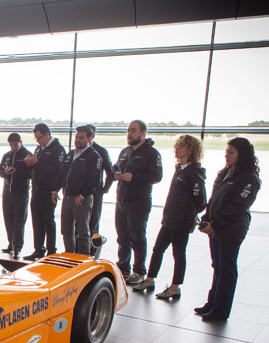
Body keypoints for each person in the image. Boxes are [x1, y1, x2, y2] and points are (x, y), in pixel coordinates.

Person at [195, 137, 261, 321]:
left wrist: (215, 225)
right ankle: (212, 303)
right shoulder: (226, 172)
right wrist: (207, 218)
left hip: (231, 229)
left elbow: (238, 207)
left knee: (227, 268)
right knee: (217, 266)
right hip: (215, 227)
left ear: (242, 154)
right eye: (226, 152)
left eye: (231, 152)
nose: (227, 155)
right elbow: (214, 199)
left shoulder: (249, 178)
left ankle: (221, 309)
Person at [133, 135, 207, 298]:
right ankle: (149, 279)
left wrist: (188, 214)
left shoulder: (194, 173)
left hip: (182, 221)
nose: (177, 148)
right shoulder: (180, 169)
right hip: (170, 219)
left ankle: (175, 287)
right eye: (177, 145)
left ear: (191, 150)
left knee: (178, 253)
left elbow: (201, 201)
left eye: (181, 145)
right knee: (158, 249)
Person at [111, 120, 162, 285]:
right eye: (128, 131)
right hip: (121, 199)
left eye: (133, 131)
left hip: (139, 201)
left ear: (143, 133)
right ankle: (123, 267)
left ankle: (139, 270)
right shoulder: (125, 151)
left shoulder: (152, 153)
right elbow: (115, 167)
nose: (129, 134)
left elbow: (157, 176)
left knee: (137, 236)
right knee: (122, 236)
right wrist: (115, 173)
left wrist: (134, 177)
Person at [23, 123, 66, 261]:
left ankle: (51, 250)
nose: (37, 141)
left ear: (47, 135)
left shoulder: (58, 149)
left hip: (48, 190)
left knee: (48, 222)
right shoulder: (39, 149)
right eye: (36, 138)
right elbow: (35, 168)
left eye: (39, 138)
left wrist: (37, 162)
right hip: (36, 189)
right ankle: (38, 249)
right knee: (37, 222)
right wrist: (30, 163)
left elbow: (57, 170)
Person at [59, 126, 102, 255]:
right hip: (68, 196)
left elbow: (95, 180)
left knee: (82, 232)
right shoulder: (71, 154)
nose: (78, 140)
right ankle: (69, 255)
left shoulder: (94, 156)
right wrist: (59, 189)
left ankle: (83, 259)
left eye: (81, 137)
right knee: (66, 230)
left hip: (82, 199)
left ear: (89, 139)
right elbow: (63, 173)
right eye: (76, 137)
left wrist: (82, 195)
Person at [0, 133, 33, 259]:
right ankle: (10, 244)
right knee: (8, 220)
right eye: (11, 145)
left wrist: (17, 172)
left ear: (20, 143)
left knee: (19, 221)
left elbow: (31, 173)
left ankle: (17, 247)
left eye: (16, 144)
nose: (13, 147)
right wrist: (5, 172)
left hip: (21, 192)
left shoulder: (27, 155)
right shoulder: (7, 156)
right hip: (7, 191)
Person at [86, 124, 113, 235]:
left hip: (95, 192)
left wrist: (105, 189)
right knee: (79, 224)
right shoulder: (77, 151)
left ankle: (94, 245)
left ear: (92, 136)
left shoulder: (101, 151)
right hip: (80, 192)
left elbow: (110, 171)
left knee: (93, 222)